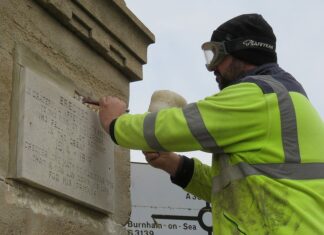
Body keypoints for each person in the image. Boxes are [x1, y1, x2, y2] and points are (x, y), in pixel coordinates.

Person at [99, 14, 324, 234]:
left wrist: (116, 123)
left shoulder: (259, 96)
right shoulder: (284, 96)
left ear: (242, 51)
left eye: (215, 55)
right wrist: (176, 165)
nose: (212, 68)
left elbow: (178, 126)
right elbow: (236, 193)